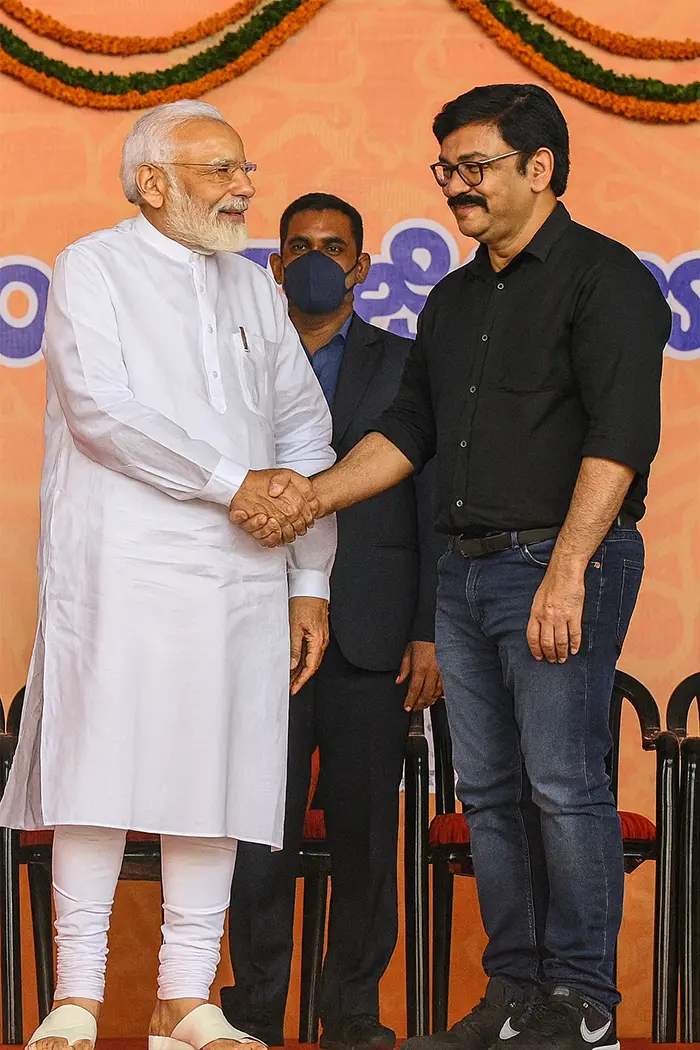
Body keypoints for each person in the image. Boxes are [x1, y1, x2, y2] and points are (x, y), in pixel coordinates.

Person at [234, 85, 672, 1050]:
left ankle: (582, 1003)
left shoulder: (607, 280)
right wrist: (312, 498)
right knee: (490, 794)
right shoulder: (456, 298)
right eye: (447, 169)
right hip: (466, 579)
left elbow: (620, 439)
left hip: (558, 565)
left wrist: (567, 569)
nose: (456, 187)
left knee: (564, 784)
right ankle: (515, 996)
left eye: (474, 167)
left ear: (539, 168)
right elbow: (409, 433)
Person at [0, 100, 337, 1050]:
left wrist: (309, 579)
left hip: (240, 575)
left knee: (215, 774)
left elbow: (304, 429)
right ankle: (77, 997)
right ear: (153, 183)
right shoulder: (92, 267)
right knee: (97, 771)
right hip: (121, 569)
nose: (246, 188)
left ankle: (184, 999)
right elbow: (101, 411)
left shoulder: (256, 289)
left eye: (245, 168)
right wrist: (234, 483)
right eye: (222, 170)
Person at [221, 194, 444, 1050]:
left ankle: (351, 1012)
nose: (317, 259)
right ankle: (254, 1009)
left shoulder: (407, 363)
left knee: (365, 834)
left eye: (334, 246)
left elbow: (430, 503)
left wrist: (426, 629)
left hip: (372, 634)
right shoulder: (235, 358)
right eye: (300, 246)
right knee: (256, 833)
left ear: (361, 266)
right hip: (253, 626)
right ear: (275, 265)